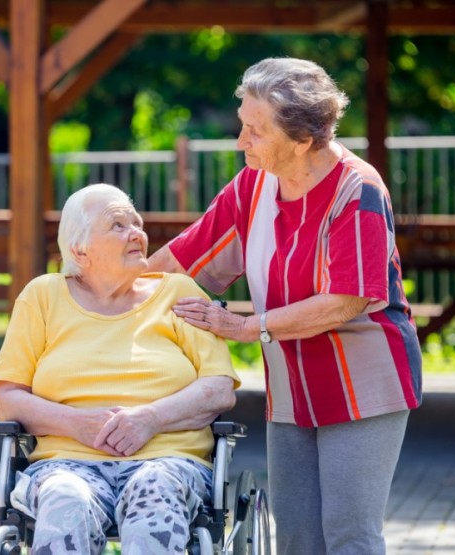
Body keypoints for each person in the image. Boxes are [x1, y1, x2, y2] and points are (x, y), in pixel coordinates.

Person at [148, 57, 422, 555]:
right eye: (242, 126)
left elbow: (345, 300)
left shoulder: (357, 189)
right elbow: (180, 260)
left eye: (255, 131)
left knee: (348, 535)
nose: (240, 142)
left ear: (301, 140)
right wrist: (96, 287)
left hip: (361, 382)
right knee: (296, 538)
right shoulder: (253, 185)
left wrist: (246, 326)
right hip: (292, 386)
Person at [0, 183, 241, 554]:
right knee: (65, 497)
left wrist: (150, 419)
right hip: (66, 464)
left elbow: (219, 388)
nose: (136, 232)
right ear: (80, 249)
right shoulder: (42, 296)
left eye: (136, 223)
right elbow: (8, 399)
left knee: (155, 487)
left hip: (168, 461)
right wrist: (77, 424)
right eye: (118, 225)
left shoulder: (179, 293)